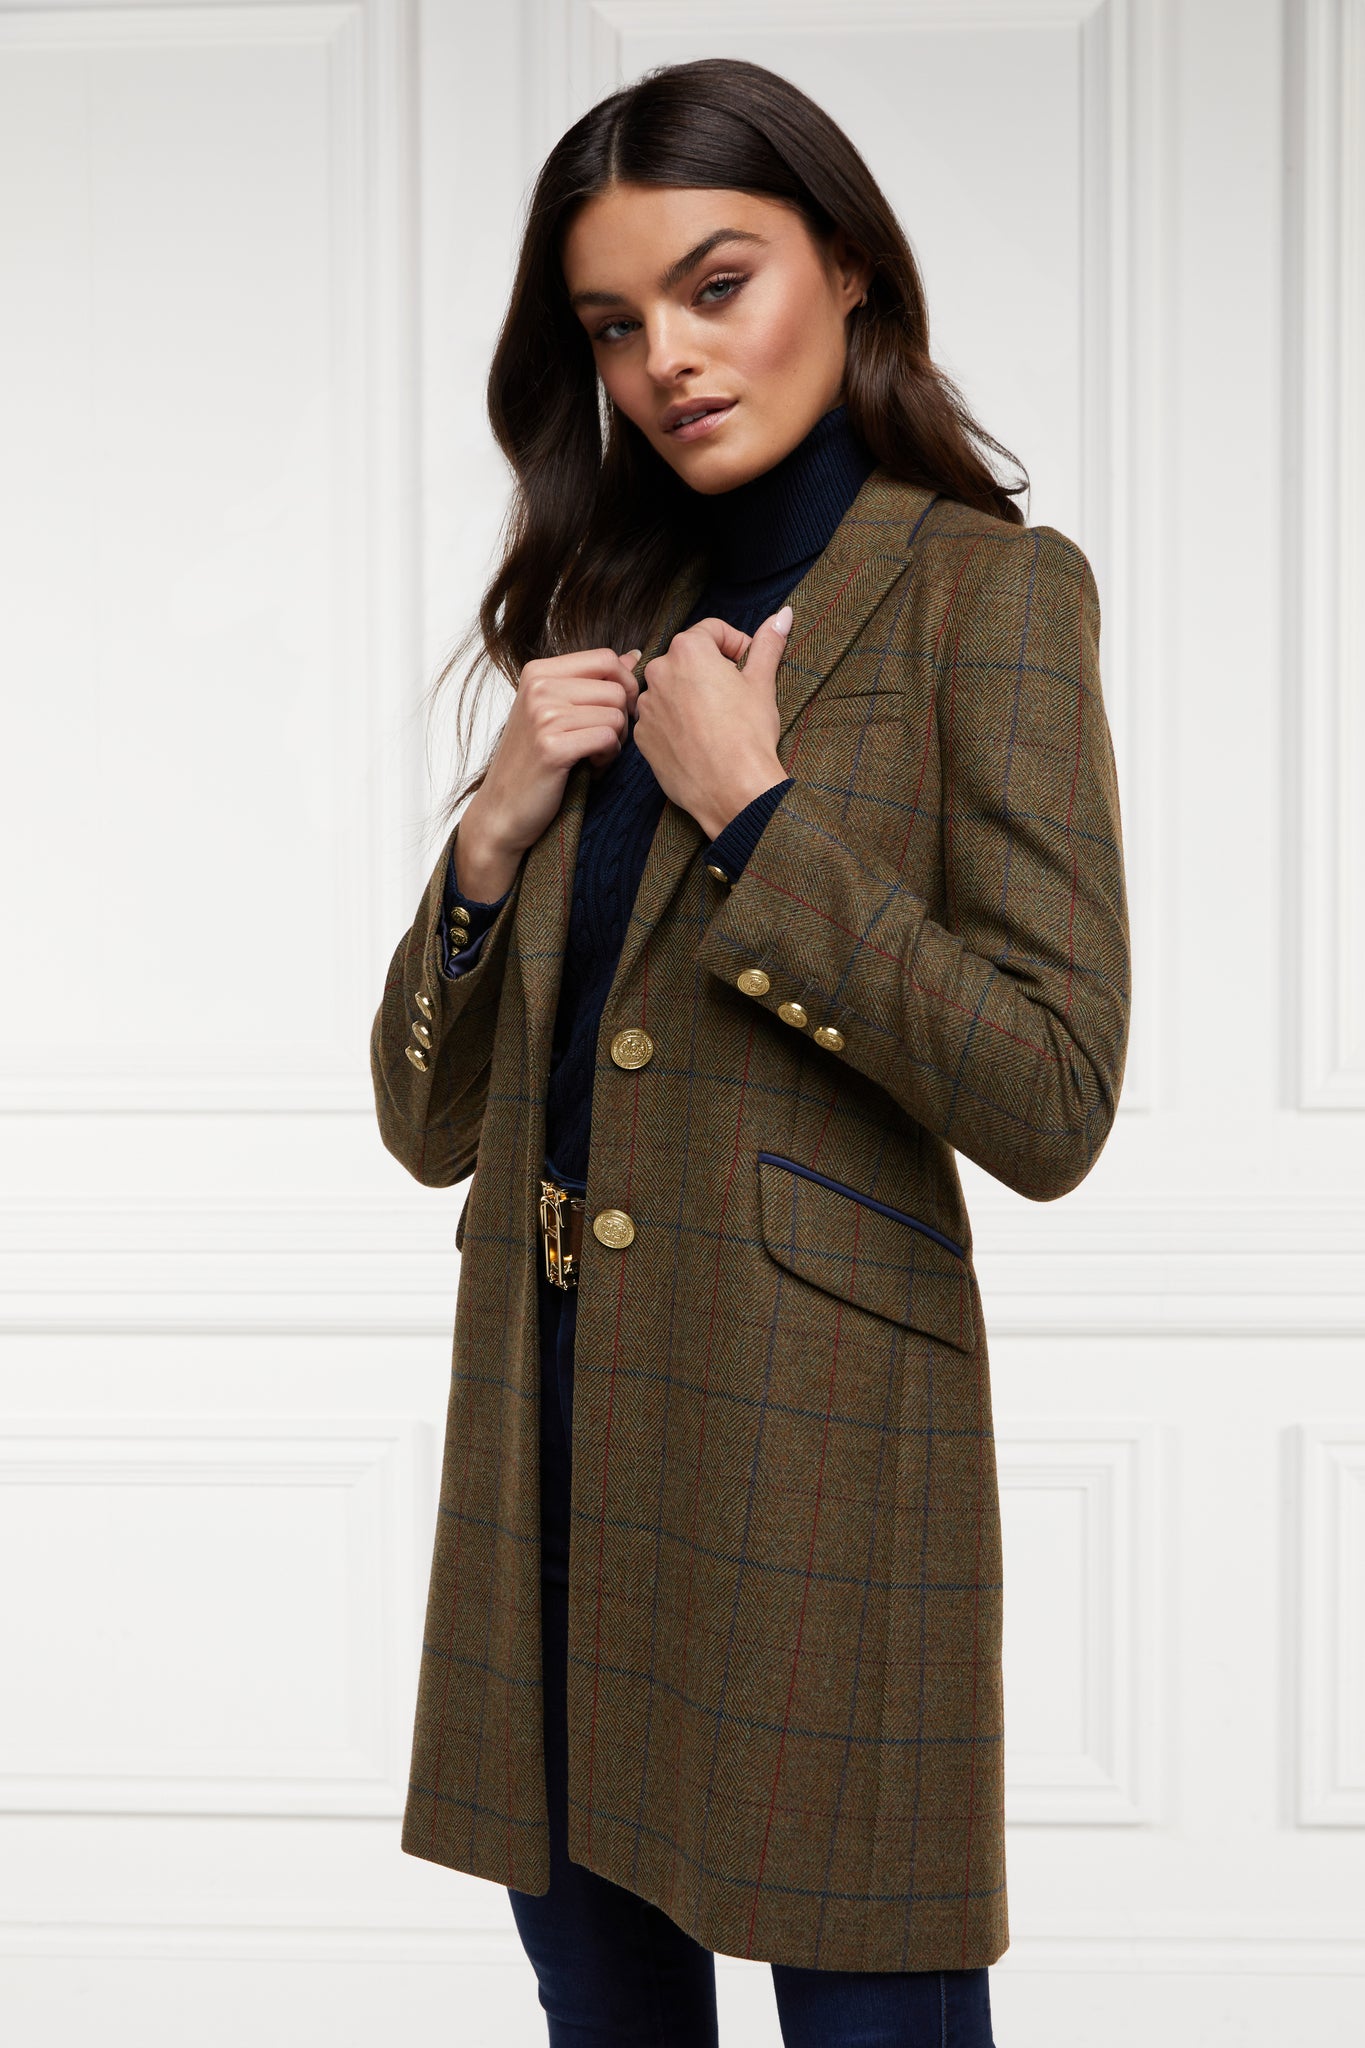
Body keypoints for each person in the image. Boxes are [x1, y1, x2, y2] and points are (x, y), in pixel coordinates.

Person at [371, 56, 1130, 2048]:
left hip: (811, 1463)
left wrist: (758, 817)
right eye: (614, 325)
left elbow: (1053, 1092)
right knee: (603, 2017)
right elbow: (427, 1121)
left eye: (716, 286)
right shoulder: (597, 614)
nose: (668, 361)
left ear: (849, 269)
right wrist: (487, 841)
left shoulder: (985, 597)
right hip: (548, 1446)